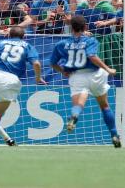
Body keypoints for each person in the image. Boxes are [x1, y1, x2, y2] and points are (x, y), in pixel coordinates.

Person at [50, 15, 121, 148]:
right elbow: (92, 56)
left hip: (77, 76)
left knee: (79, 104)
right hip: (95, 74)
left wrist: (63, 71)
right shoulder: (90, 40)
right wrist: (108, 69)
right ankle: (114, 134)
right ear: (85, 27)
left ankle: (75, 116)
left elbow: (52, 63)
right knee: (104, 106)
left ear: (71, 27)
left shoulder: (61, 44)